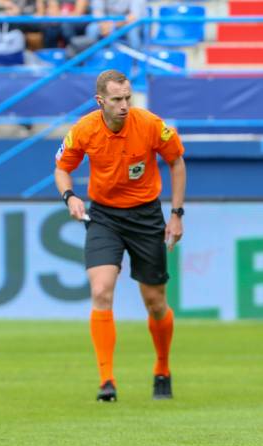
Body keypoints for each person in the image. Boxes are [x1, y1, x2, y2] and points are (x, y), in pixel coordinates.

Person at [54, 69, 186, 402]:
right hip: (104, 216)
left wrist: (176, 214)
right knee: (100, 290)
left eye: (128, 97)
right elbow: (62, 168)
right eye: (117, 99)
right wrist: (70, 197)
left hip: (146, 216)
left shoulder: (151, 124)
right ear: (101, 101)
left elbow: (177, 162)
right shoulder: (84, 129)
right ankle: (106, 381)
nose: (125, 105)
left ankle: (162, 368)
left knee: (155, 302)